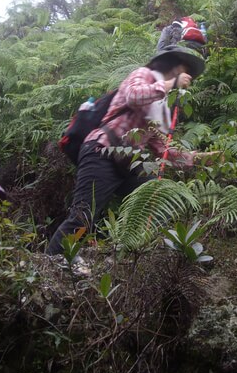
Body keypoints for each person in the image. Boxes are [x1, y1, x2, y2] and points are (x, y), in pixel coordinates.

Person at [47, 44, 216, 256]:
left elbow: (162, 149)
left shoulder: (159, 106)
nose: (188, 75)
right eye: (185, 68)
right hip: (102, 152)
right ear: (172, 65)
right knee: (83, 216)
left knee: (153, 202)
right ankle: (52, 263)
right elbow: (133, 96)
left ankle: (139, 260)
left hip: (127, 164)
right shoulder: (143, 74)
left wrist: (199, 159)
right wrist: (171, 84)